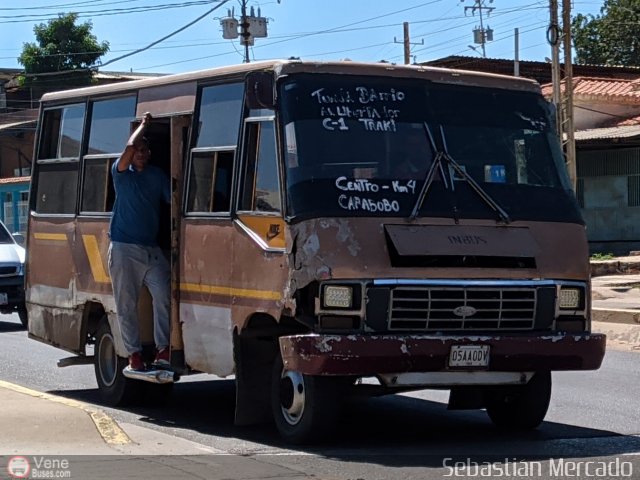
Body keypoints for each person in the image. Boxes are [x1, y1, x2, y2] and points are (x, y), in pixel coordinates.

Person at [108, 112, 171, 372]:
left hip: (150, 248)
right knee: (126, 305)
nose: (141, 154)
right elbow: (129, 147)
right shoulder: (121, 174)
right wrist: (143, 126)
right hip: (123, 248)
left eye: (146, 151)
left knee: (164, 293)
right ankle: (134, 354)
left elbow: (173, 201)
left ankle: (163, 349)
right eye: (139, 151)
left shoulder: (157, 176)